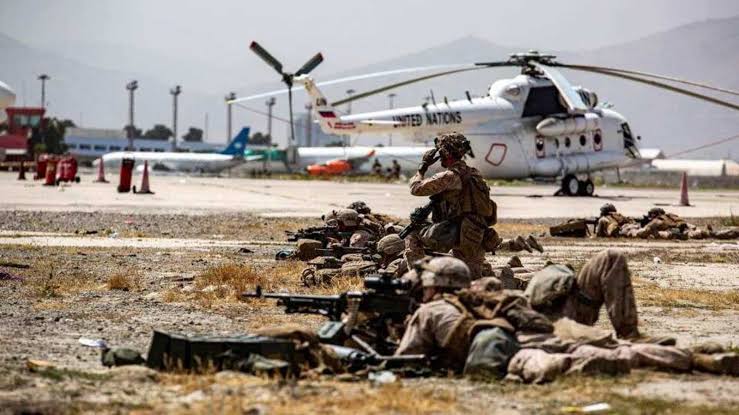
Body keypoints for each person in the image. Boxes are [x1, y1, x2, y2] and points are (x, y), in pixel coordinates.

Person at [403, 133, 496, 279]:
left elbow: (416, 188)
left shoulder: (450, 176)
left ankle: (417, 279)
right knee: (472, 277)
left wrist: (423, 167)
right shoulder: (475, 174)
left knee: (412, 234)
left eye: (440, 153)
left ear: (445, 153)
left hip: (459, 233)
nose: (439, 157)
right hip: (478, 232)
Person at [394, 257, 472, 369]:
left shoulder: (429, 310)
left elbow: (406, 358)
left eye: (425, 288)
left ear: (433, 287)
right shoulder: (475, 304)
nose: (424, 295)